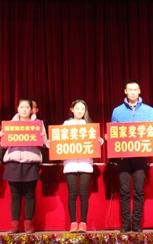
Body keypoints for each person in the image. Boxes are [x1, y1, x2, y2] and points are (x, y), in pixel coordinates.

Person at [110, 79, 153, 233]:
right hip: (123, 157)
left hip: (140, 157)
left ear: (139, 91)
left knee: (139, 190)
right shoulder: (117, 111)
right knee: (124, 191)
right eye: (130, 90)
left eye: (135, 90)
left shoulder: (149, 110)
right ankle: (125, 223)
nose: (132, 92)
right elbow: (113, 132)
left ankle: (136, 223)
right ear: (125, 91)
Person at [0, 98, 47, 234]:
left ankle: (28, 225)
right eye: (21, 107)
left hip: (30, 163)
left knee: (30, 195)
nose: (24, 109)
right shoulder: (10, 125)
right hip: (13, 163)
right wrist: (2, 136)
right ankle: (15, 225)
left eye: (27, 107)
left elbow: (44, 144)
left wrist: (43, 137)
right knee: (15, 195)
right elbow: (4, 145)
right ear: (17, 109)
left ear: (31, 110)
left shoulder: (38, 124)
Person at [63, 99, 104, 233]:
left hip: (85, 163)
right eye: (77, 108)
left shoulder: (89, 125)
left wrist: (100, 141)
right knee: (72, 194)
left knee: (84, 194)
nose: (80, 111)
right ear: (72, 109)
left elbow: (95, 142)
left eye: (82, 109)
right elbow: (59, 142)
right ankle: (73, 223)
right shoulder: (66, 125)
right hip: (70, 163)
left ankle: (83, 223)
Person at [32, 99, 50, 163]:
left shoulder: (43, 122)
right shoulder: (16, 123)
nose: (30, 109)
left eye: (33, 107)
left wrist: (45, 140)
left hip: (39, 154)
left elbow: (48, 141)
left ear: (37, 110)